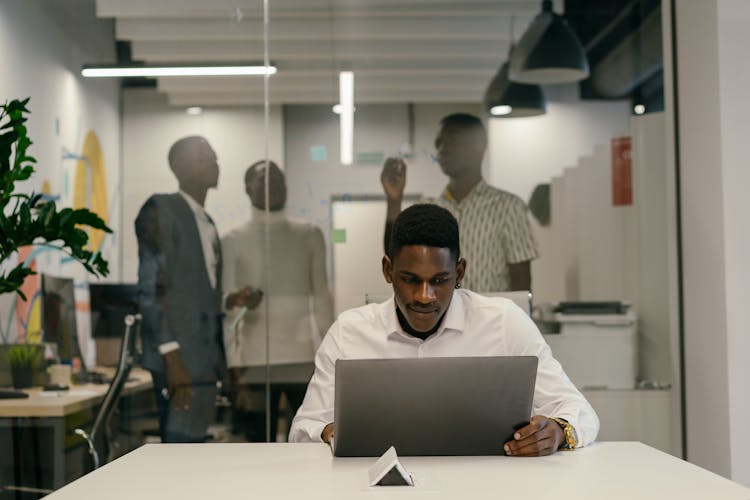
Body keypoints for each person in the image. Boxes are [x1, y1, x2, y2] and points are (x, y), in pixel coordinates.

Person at [289, 204, 598, 456]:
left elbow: (579, 411)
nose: (425, 296)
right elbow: (302, 430)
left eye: (439, 280)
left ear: (459, 272)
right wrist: (329, 432)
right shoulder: (349, 332)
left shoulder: (504, 322)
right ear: (387, 271)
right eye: (410, 279)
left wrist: (558, 431)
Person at [222, 160, 334, 441]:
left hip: (303, 358)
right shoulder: (232, 240)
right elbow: (228, 309)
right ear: (247, 188)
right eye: (264, 180)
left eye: (278, 180)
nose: (273, 186)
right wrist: (233, 365)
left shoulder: (309, 235)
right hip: (255, 363)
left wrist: (335, 357)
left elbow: (321, 299)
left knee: (310, 442)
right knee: (259, 445)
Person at [381, 113, 538, 292]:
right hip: (439, 318)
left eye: (452, 140)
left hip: (490, 319)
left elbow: (521, 285)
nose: (442, 149)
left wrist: (517, 319)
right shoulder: (429, 209)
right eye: (439, 143)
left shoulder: (509, 207)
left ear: (479, 147)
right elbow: (397, 257)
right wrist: (394, 201)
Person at [135, 135, 224, 443]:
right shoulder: (161, 208)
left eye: (214, 156)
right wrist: (171, 357)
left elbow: (200, 290)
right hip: (178, 358)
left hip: (205, 358)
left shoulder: (207, 222)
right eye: (203, 156)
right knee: (178, 448)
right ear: (177, 166)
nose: (214, 162)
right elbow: (151, 289)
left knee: (195, 448)